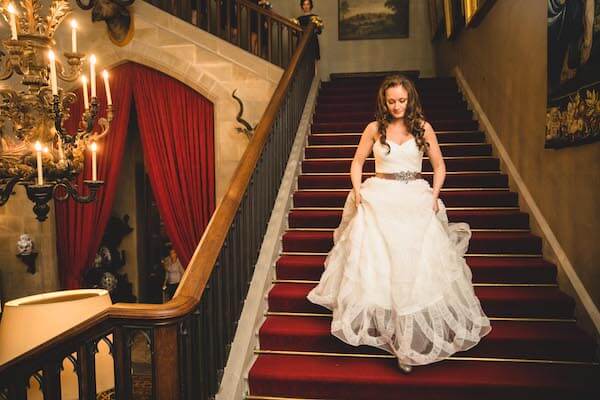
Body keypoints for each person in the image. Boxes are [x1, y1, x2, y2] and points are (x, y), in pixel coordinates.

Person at [306, 75, 491, 373]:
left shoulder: (423, 127)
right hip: (379, 196)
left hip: (415, 198)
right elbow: (356, 163)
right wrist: (357, 190)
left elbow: (439, 165)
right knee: (380, 270)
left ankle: (410, 343)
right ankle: (392, 336)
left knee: (413, 271)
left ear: (410, 99)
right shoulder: (373, 128)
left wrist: (434, 195)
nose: (397, 106)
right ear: (384, 101)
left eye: (402, 100)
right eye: (391, 101)